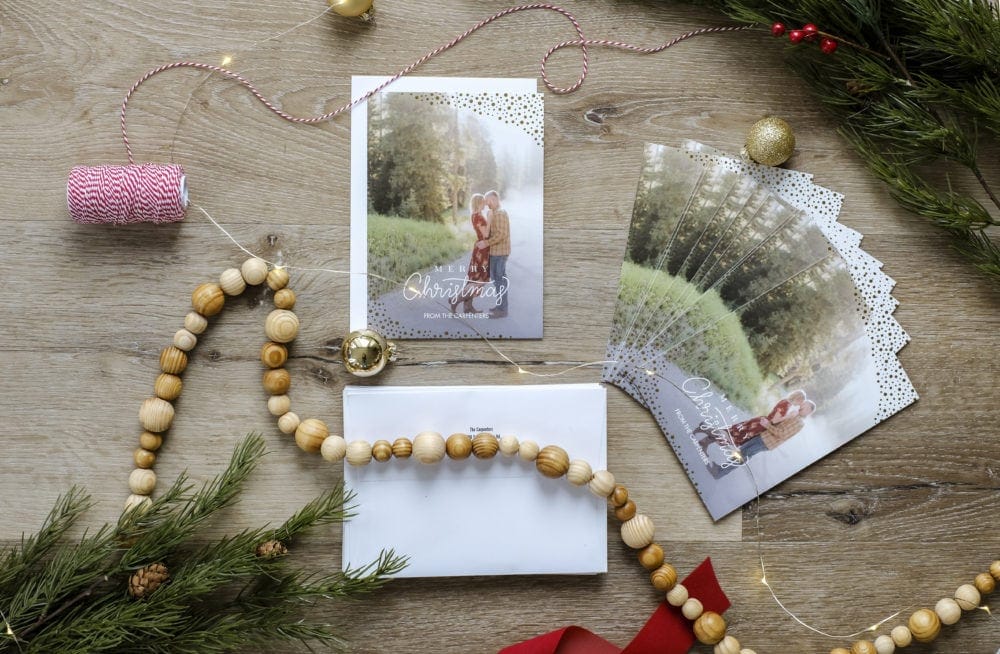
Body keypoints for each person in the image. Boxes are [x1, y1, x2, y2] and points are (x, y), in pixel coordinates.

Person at [450, 193, 490, 314]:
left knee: (474, 279)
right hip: (482, 249)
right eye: (483, 202)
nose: (485, 204)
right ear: (479, 203)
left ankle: (468, 307)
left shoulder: (475, 215)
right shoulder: (479, 217)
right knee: (479, 281)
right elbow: (486, 235)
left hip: (480, 249)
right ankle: (455, 299)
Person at [478, 190, 510, 318]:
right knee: (498, 280)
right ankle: (500, 306)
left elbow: (502, 234)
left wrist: (486, 243)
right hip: (495, 252)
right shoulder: (494, 213)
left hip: (500, 253)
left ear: (494, 199)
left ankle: (502, 310)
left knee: (499, 281)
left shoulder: (500, 214)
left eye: (488, 201)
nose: (487, 204)